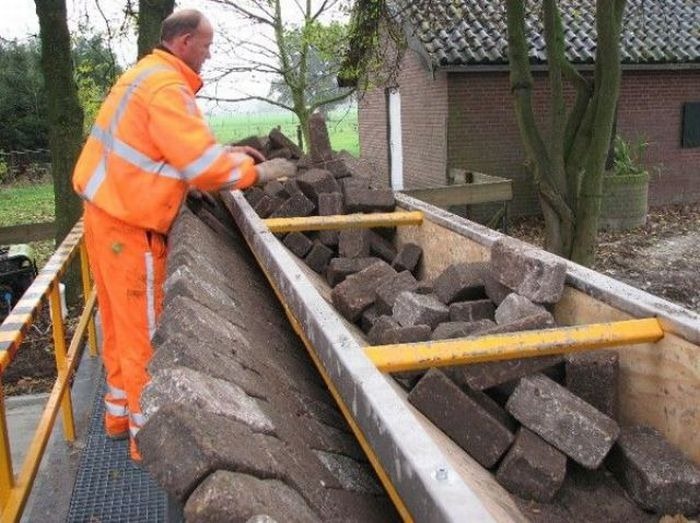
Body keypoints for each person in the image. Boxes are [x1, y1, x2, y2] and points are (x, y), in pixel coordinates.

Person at [72, 9, 294, 461]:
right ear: (186, 41)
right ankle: (148, 442)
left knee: (116, 324)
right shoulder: (168, 88)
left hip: (105, 215)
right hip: (132, 224)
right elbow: (201, 169)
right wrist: (258, 170)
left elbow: (169, 149)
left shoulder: (146, 75)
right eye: (207, 46)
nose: (209, 55)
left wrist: (224, 150)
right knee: (146, 336)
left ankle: (118, 417)